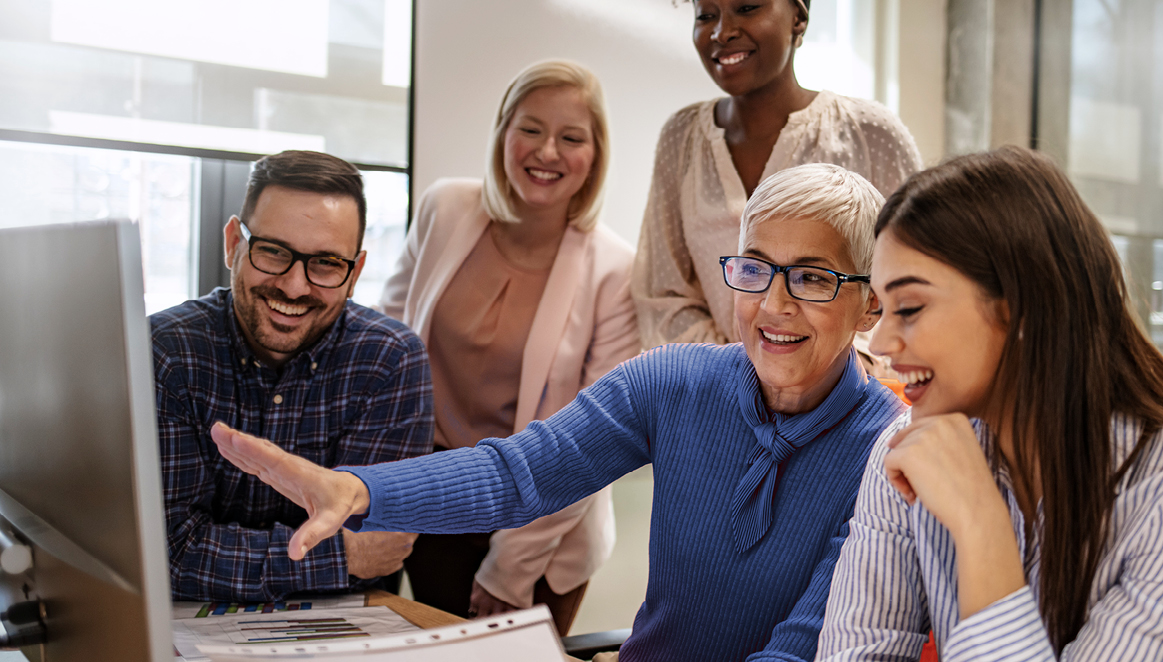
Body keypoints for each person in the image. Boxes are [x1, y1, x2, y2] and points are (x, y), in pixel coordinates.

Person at [211, 164, 905, 662]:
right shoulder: (673, 381)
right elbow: (518, 475)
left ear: (871, 302)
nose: (774, 304)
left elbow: (802, 651)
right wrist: (363, 491)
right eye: (754, 268)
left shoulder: (887, 451)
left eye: (812, 278)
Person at [816, 147, 1163, 661]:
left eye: (908, 308)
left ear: (1022, 308)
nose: (881, 342)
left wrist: (980, 523)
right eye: (881, 309)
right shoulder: (912, 446)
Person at [378, 60, 638, 633]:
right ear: (502, 131)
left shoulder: (616, 270)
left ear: (594, 155)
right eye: (530, 129)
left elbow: (593, 440)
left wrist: (510, 567)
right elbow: (383, 350)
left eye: (571, 138)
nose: (547, 151)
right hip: (429, 501)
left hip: (541, 528)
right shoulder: (444, 208)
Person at [151, 150, 432, 601]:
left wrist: (225, 554)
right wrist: (339, 558)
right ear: (233, 244)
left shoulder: (390, 360)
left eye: (325, 263)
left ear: (355, 273)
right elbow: (165, 552)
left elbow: (381, 548)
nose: (294, 286)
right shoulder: (166, 352)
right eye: (273, 252)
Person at [632, 0, 922, 352]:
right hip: (714, 391)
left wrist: (821, 377)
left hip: (850, 393)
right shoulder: (682, 138)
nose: (722, 32)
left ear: (798, 18)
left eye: (747, 7)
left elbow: (912, 286)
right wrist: (740, 375)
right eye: (706, 16)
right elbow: (662, 294)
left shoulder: (870, 134)